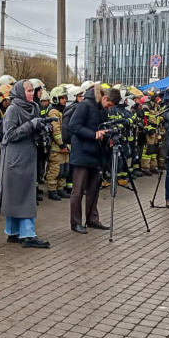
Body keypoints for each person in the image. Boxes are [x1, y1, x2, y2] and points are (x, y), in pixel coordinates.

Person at [0, 80, 51, 248]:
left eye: (32, 90)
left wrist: (43, 126)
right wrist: (31, 125)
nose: (31, 93)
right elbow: (10, 135)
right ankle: (28, 235)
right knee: (23, 195)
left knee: (19, 195)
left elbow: (32, 129)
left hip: (28, 155)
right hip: (15, 158)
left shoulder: (34, 107)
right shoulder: (13, 109)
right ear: (20, 91)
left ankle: (13, 232)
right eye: (28, 90)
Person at [68, 85, 120, 230]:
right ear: (104, 98)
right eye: (109, 104)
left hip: (96, 154)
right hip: (82, 154)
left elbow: (100, 127)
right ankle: (76, 222)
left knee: (94, 190)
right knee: (78, 191)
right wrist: (93, 134)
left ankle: (92, 219)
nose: (109, 108)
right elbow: (73, 126)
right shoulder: (85, 105)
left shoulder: (101, 109)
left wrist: (107, 135)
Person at [45, 86, 70, 200]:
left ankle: (60, 189)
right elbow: (56, 130)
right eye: (62, 98)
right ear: (55, 99)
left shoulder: (63, 111)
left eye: (65, 97)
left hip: (65, 146)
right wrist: (61, 144)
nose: (65, 100)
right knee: (55, 170)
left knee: (64, 170)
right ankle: (52, 190)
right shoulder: (53, 112)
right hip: (57, 147)